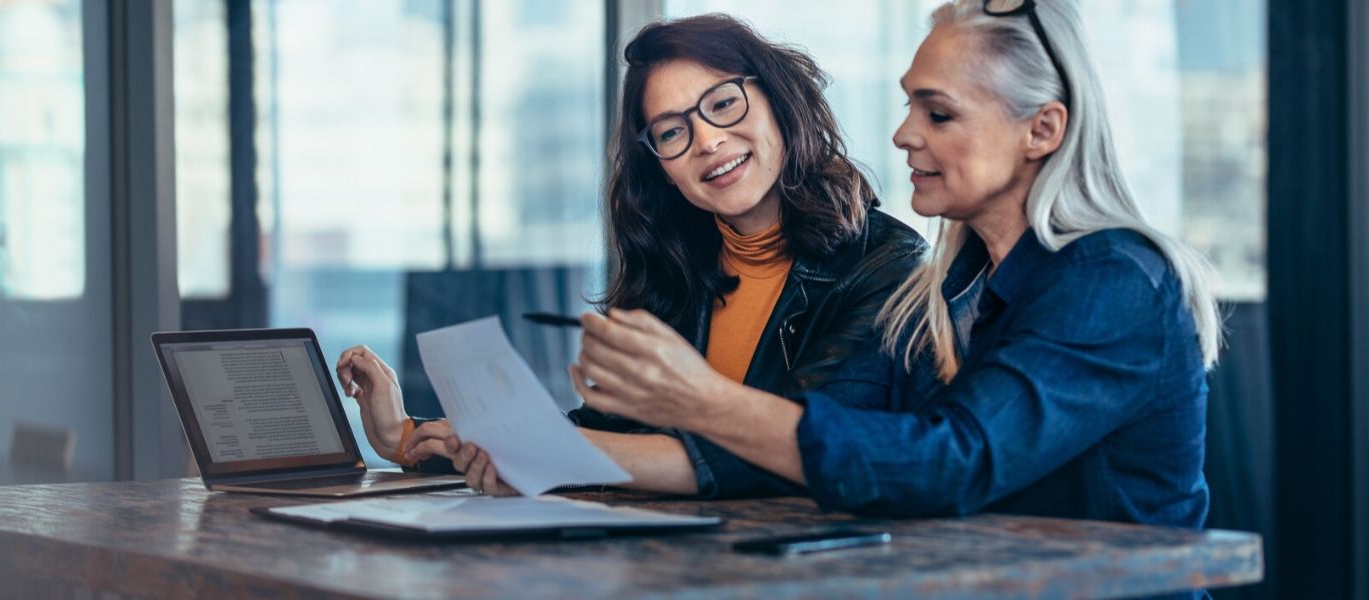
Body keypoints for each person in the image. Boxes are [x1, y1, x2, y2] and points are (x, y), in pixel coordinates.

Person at [460, 0, 1223, 532]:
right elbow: (842, 442)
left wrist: (699, 399)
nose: (903, 135)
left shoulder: (1113, 279)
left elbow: (947, 464)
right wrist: (516, 445)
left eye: (938, 113)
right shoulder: (950, 287)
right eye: (909, 106)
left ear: (1043, 130)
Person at [337, 14, 925, 497]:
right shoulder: (676, 269)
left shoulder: (889, 266)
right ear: (661, 168)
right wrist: (406, 437)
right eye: (671, 132)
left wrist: (544, 453)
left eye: (724, 104)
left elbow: (798, 451)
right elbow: (608, 433)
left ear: (779, 102)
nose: (707, 141)